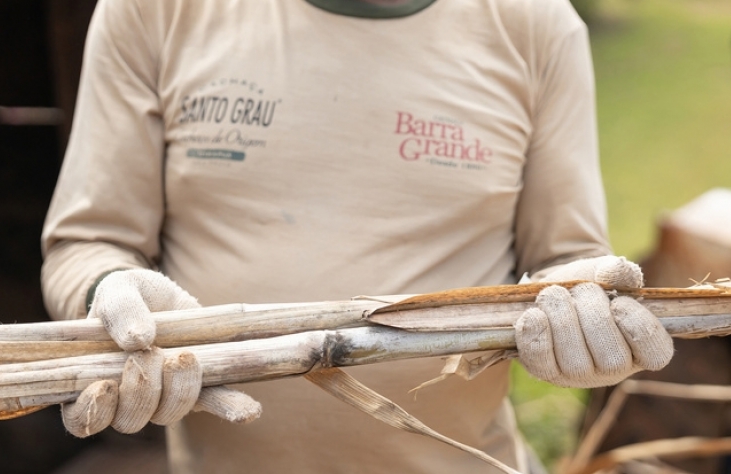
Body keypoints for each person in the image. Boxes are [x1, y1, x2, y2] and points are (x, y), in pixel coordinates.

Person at [40, 0, 675, 472]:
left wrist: (582, 313)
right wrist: (111, 295)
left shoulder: (534, 26)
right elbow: (86, 244)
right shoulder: (155, 12)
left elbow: (565, 259)